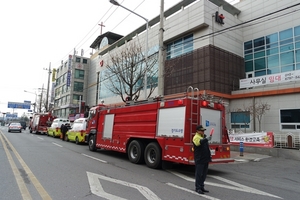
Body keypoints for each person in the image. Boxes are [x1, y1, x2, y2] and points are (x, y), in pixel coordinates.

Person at [192, 125, 212, 194]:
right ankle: (198, 188)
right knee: (199, 174)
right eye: (201, 130)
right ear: (197, 131)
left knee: (204, 174)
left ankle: (202, 186)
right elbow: (198, 143)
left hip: (205, 158)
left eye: (203, 130)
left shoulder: (203, 137)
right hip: (199, 158)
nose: (203, 131)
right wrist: (206, 139)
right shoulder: (196, 137)